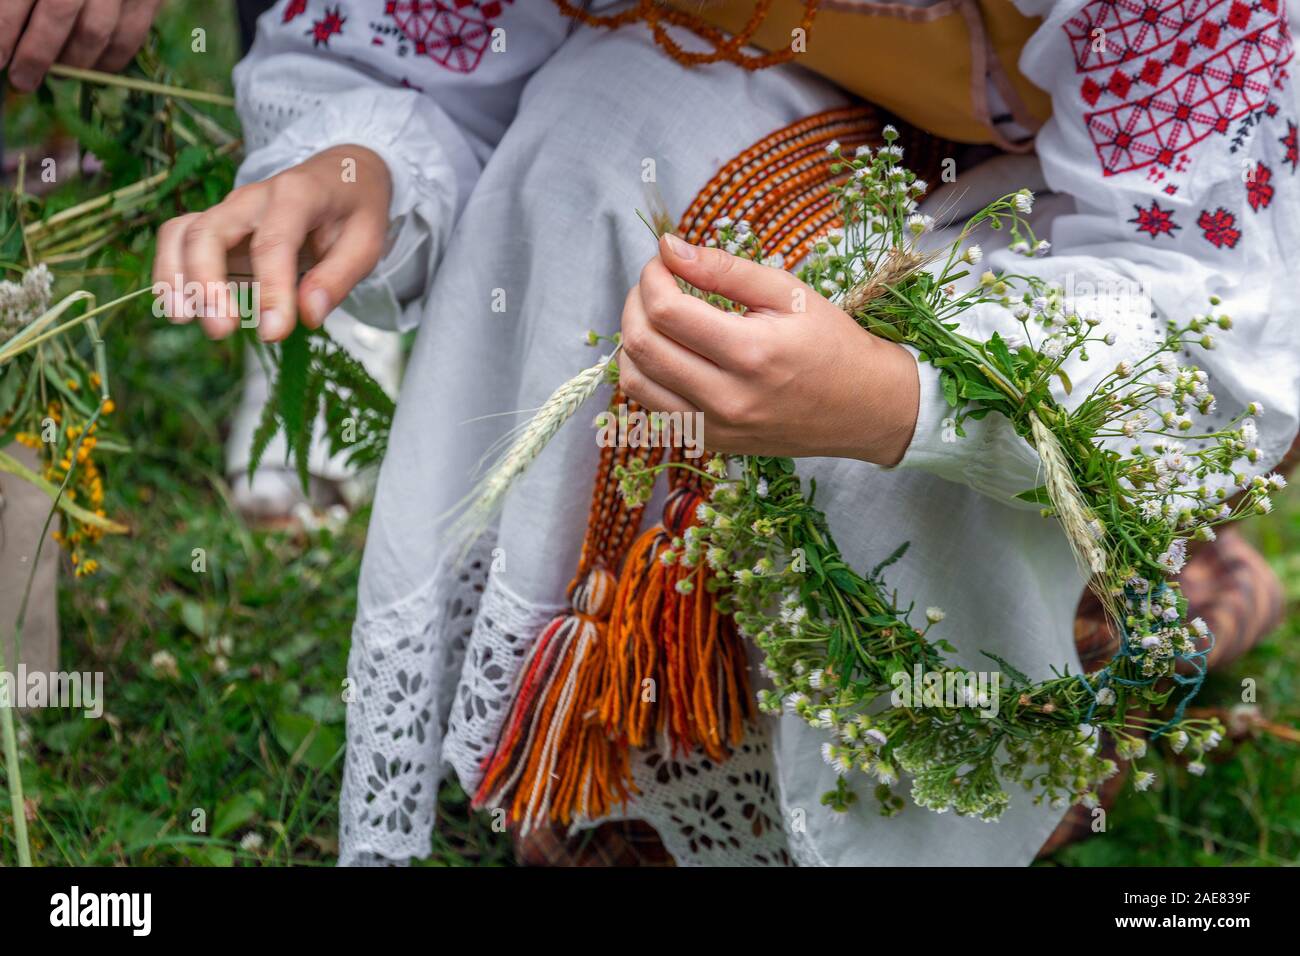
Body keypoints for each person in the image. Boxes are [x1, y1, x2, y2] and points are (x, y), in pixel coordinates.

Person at [155, 0, 1300, 865]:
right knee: (601, 132)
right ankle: (639, 749)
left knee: (897, 447)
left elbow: (1206, 303)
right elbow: (431, 42)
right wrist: (359, 163)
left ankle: (1060, 679)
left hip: (1121, 197)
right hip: (806, 94)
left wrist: (893, 402)